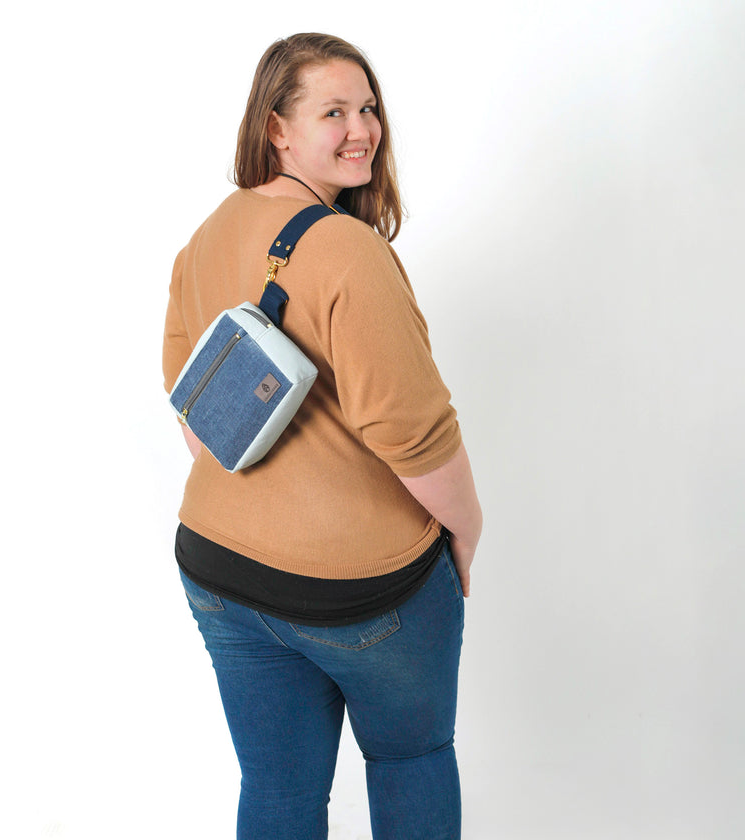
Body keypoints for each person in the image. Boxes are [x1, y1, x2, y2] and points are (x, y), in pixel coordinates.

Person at [162, 32, 482, 840]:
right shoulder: (347, 251)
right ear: (277, 129)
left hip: (219, 573)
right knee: (409, 761)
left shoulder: (209, 233)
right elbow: (414, 435)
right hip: (364, 598)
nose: (361, 129)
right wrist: (466, 536)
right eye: (332, 111)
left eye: (367, 107)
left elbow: (190, 402)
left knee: (278, 790)